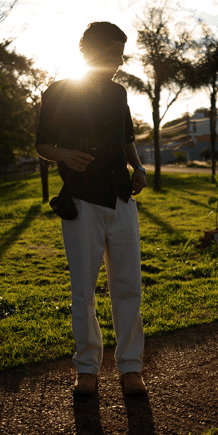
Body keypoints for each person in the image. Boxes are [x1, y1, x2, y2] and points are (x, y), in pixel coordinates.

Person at [36, 21, 150, 396]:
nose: (118, 61)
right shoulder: (58, 91)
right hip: (81, 201)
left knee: (128, 286)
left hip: (121, 200)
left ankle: (131, 368)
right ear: (88, 52)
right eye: (112, 54)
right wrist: (65, 153)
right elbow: (42, 145)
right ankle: (87, 369)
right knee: (83, 290)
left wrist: (139, 167)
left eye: (121, 54)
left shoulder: (118, 95)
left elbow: (126, 138)